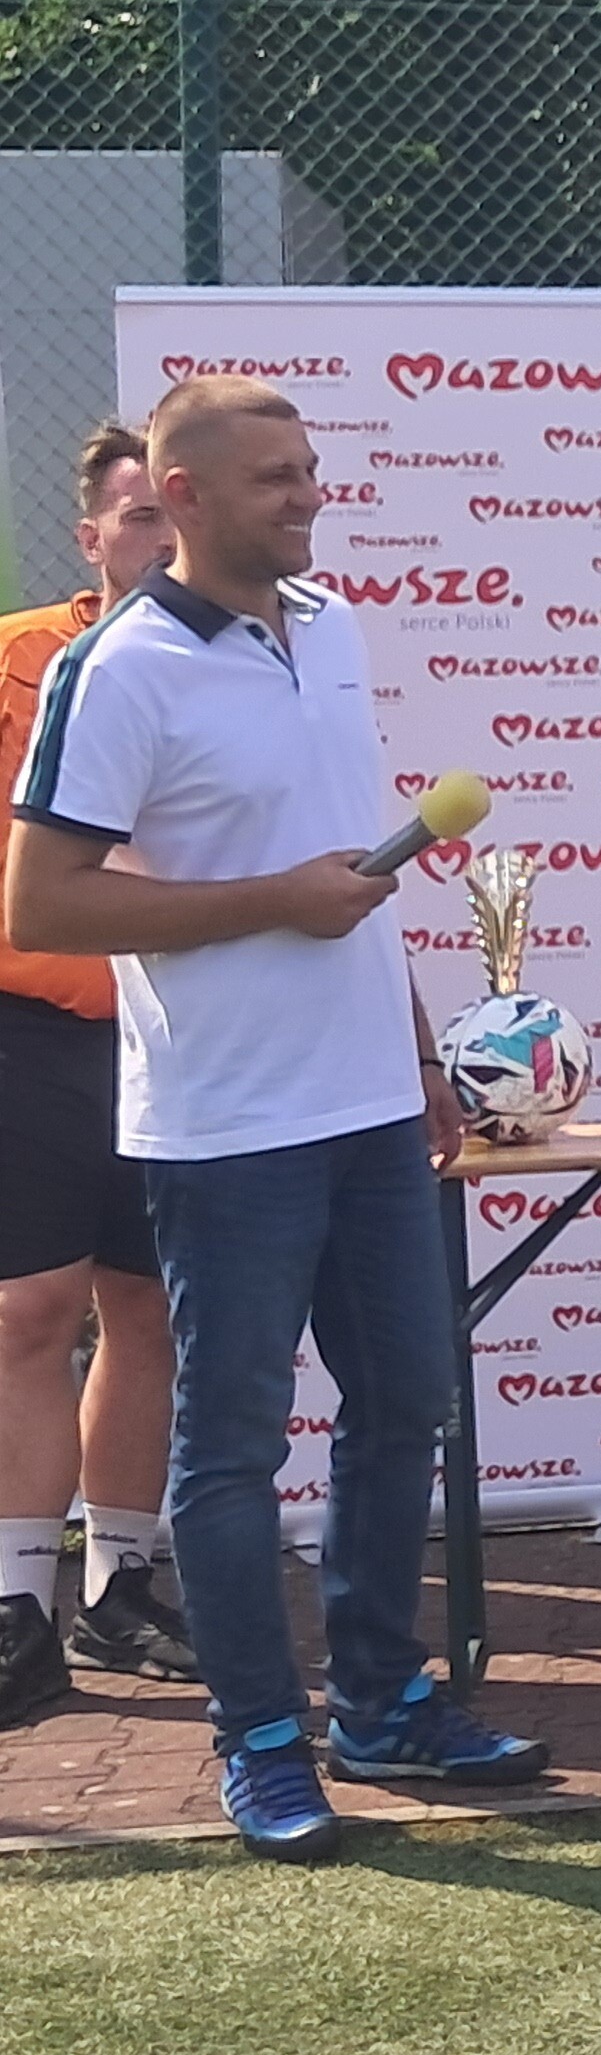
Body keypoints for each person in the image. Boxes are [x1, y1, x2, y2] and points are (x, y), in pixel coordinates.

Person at [4, 377, 545, 1859]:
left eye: (309, 470)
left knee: (405, 1408)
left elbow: (350, 871)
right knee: (234, 1449)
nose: (306, 496)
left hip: (370, 1107)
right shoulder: (115, 670)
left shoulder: (333, 626)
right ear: (180, 496)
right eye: (272, 478)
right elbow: (44, 903)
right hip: (225, 1124)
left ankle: (381, 1705)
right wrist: (274, 904)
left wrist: (417, 1050)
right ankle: (259, 1737)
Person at [0, 423, 192, 1723]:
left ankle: (122, 1587)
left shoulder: (238, 666)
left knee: (153, 1308)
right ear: (90, 538)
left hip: (175, 1033)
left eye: (174, 517)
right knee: (30, 1310)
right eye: (136, 520)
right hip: (34, 1026)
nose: (161, 543)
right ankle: (18, 1606)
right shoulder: (23, 659)